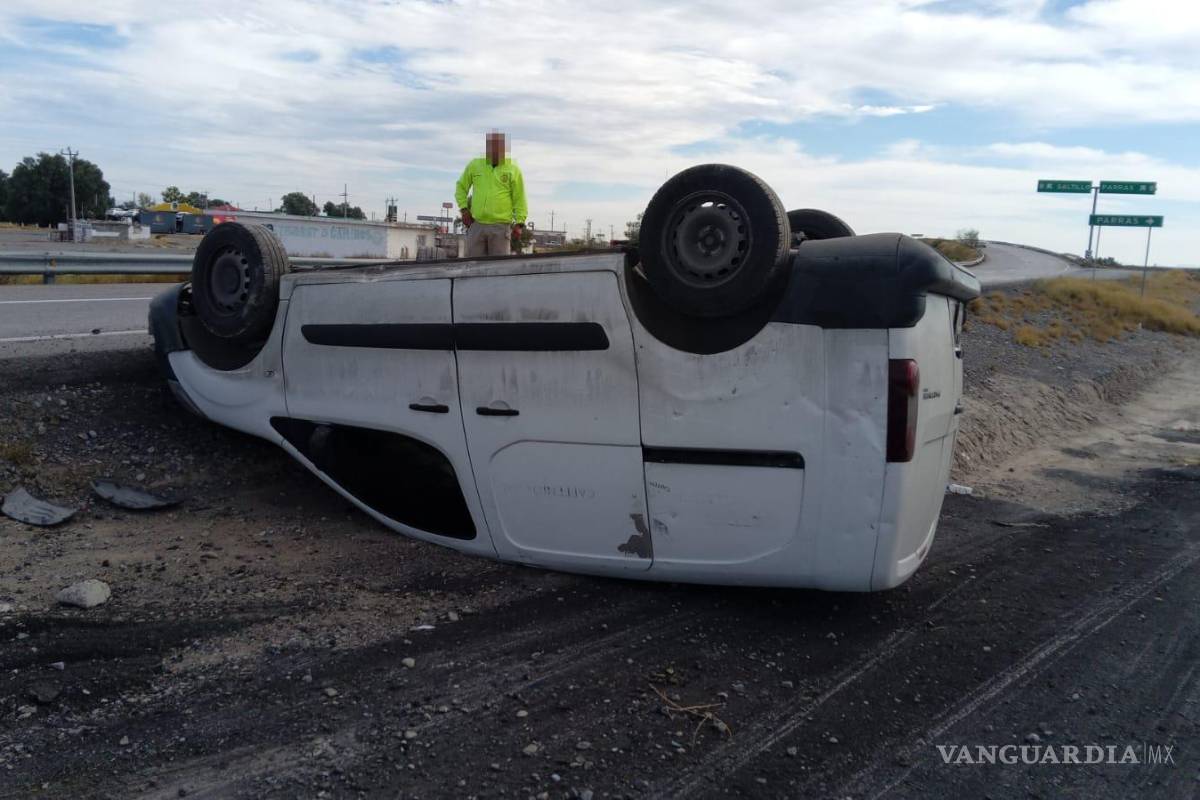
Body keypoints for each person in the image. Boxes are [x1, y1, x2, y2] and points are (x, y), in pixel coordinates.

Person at [455, 131, 527, 257]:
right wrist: (464, 209)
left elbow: (519, 197)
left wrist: (519, 223)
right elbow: (461, 187)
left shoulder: (513, 168)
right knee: (472, 266)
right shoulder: (475, 165)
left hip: (501, 227)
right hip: (476, 225)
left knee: (499, 268)